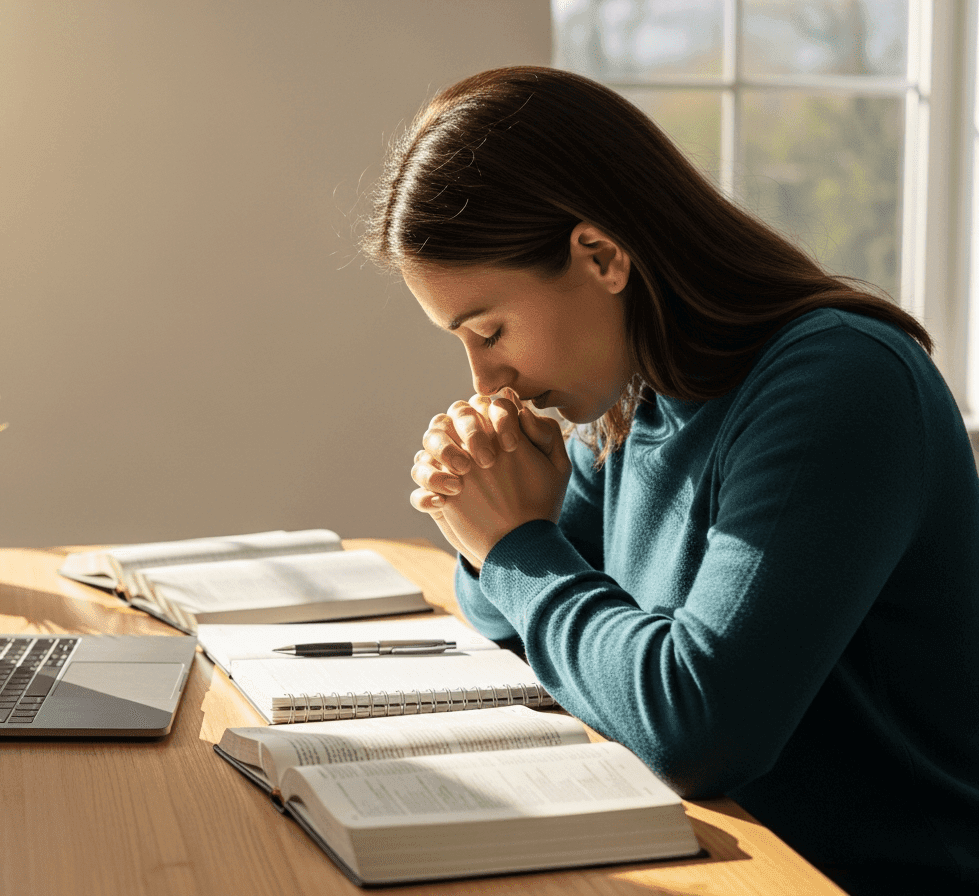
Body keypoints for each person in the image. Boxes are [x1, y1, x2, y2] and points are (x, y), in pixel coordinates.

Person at [359, 65, 979, 894]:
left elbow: (697, 727)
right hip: (710, 857)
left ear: (601, 254)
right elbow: (525, 621)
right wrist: (486, 522)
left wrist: (508, 541)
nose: (485, 382)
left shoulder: (840, 384)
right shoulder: (637, 394)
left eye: (491, 329)